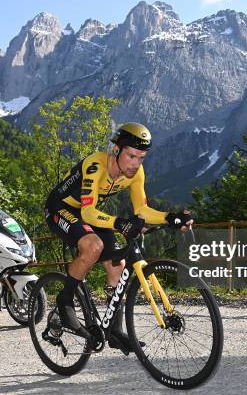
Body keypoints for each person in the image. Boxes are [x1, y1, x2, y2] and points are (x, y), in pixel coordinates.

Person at [44, 122, 193, 354]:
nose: (135, 164)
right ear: (116, 150)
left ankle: (115, 330)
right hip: (61, 208)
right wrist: (119, 224)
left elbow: (141, 210)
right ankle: (64, 303)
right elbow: (88, 212)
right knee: (93, 246)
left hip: (89, 213)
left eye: (141, 157)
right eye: (131, 156)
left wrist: (170, 217)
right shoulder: (96, 165)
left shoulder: (135, 174)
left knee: (118, 265)